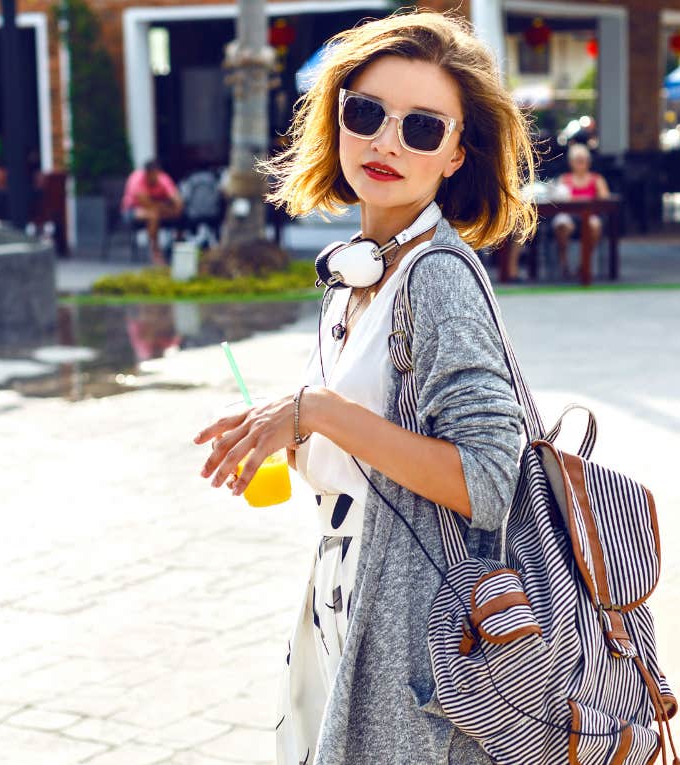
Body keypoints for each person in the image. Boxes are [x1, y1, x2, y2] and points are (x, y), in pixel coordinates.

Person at [192, 10, 536, 765]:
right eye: (367, 112)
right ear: (337, 114)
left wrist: (320, 411)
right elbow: (374, 435)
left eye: (422, 128)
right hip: (347, 602)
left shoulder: (436, 275)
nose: (385, 141)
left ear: (455, 155)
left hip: (420, 635)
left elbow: (487, 478)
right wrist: (289, 430)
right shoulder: (359, 271)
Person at [550, 143, 610, 280]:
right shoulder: (564, 179)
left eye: (583, 161)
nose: (581, 164)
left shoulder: (597, 179)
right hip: (568, 216)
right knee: (562, 225)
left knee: (594, 226)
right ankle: (564, 263)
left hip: (590, 216)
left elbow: (605, 199)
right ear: (571, 163)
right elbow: (557, 200)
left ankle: (584, 264)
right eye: (578, 161)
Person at [121, 159, 185, 265]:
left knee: (179, 215)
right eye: (153, 175)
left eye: (157, 174)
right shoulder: (137, 179)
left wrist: (176, 207)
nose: (156, 177)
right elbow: (146, 203)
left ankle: (178, 249)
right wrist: (165, 208)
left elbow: (176, 198)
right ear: (147, 173)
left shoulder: (162, 178)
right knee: (153, 215)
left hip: (158, 209)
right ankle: (155, 251)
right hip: (132, 210)